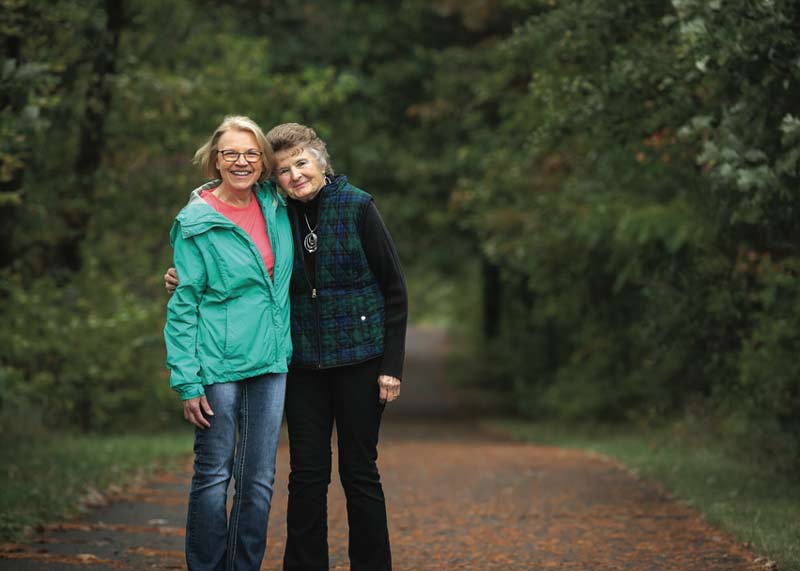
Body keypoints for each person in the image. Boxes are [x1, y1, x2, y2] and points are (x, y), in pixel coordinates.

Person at [167, 123, 408, 571]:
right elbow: (224, 230)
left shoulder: (357, 206)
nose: (295, 175)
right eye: (284, 169)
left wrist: (391, 366)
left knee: (358, 472)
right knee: (306, 476)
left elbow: (394, 288)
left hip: (358, 357)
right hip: (300, 362)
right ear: (273, 177)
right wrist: (184, 274)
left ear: (321, 161)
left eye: (302, 163)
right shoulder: (277, 209)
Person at [163, 115, 294, 571]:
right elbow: (184, 305)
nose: (242, 161)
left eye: (251, 153)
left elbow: (314, 177)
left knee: (259, 480)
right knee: (214, 474)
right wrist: (187, 380)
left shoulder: (277, 203)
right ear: (215, 160)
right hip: (216, 364)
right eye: (231, 153)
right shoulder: (196, 221)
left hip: (271, 361)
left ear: (263, 160)